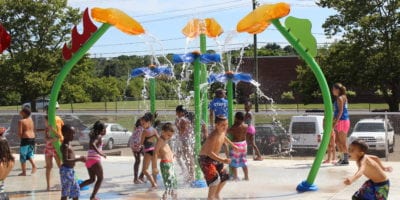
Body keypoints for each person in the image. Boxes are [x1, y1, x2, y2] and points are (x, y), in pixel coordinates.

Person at [199, 116, 235, 200]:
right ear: (216, 125)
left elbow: (224, 137)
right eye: (222, 125)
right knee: (215, 179)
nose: (225, 127)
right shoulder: (213, 136)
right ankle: (210, 197)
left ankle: (216, 195)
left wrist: (233, 145)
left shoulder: (222, 131)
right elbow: (209, 153)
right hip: (205, 159)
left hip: (214, 158)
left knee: (225, 175)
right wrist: (223, 160)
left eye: (226, 124)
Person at [79, 121, 107, 200]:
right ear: (102, 130)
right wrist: (100, 153)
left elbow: (93, 144)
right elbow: (93, 144)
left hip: (89, 160)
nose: (105, 131)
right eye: (105, 129)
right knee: (100, 178)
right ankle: (93, 197)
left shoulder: (94, 136)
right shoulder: (98, 137)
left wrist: (100, 152)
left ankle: (76, 188)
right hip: (95, 160)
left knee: (92, 179)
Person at [60, 124, 86, 200]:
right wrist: (79, 159)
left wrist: (79, 158)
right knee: (65, 192)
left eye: (74, 133)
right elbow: (65, 160)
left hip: (70, 171)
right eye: (71, 133)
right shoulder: (65, 145)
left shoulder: (69, 144)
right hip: (66, 171)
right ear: (64, 134)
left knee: (76, 191)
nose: (73, 135)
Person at [154, 123, 178, 200]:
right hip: (166, 164)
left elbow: (164, 151)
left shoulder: (164, 140)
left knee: (171, 185)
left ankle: (165, 198)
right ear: (163, 132)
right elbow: (155, 153)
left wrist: (172, 154)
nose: (169, 137)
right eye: (168, 135)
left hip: (169, 163)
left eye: (171, 136)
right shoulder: (160, 140)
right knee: (171, 185)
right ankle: (172, 198)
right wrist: (155, 167)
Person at [175, 105, 195, 182]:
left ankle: (191, 175)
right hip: (187, 140)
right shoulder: (186, 119)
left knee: (188, 158)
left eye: (177, 112)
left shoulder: (182, 120)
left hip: (185, 141)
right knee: (186, 158)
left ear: (181, 112)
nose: (176, 114)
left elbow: (181, 132)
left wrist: (177, 124)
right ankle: (188, 173)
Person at [332, 83, 350, 165]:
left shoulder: (340, 98)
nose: (332, 91)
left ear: (338, 90)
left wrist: (335, 122)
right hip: (341, 121)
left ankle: (345, 160)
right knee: (337, 141)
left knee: (342, 142)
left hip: (342, 121)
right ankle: (342, 158)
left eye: (333, 89)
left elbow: (340, 111)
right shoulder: (343, 97)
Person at [140, 112, 159, 190]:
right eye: (141, 124)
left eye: (143, 123)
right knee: (154, 168)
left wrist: (139, 145)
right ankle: (155, 183)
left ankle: (153, 184)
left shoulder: (144, 132)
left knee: (144, 170)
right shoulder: (154, 130)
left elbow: (141, 143)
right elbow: (159, 139)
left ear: (148, 122)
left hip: (148, 151)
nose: (142, 125)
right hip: (154, 151)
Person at [228, 112, 249, 181]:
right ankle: (246, 177)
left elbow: (228, 131)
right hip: (244, 144)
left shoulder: (235, 127)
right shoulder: (246, 126)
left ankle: (235, 177)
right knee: (244, 161)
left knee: (234, 162)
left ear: (236, 119)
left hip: (236, 145)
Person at [44, 116, 62, 191]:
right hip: (48, 149)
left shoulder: (56, 127)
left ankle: (63, 183)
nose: (45, 123)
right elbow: (45, 138)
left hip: (55, 149)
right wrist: (50, 140)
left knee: (60, 166)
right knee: (48, 167)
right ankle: (48, 186)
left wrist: (53, 130)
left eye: (45, 121)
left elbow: (59, 136)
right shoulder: (46, 129)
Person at [17, 108, 37, 176]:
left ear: (24, 113)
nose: (20, 112)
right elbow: (32, 129)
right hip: (32, 138)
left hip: (25, 139)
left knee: (23, 156)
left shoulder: (21, 121)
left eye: (21, 111)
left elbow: (20, 133)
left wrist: (20, 138)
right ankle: (34, 165)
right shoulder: (31, 120)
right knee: (29, 154)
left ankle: (24, 172)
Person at [129, 119, 145, 184]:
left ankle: (137, 178)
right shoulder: (141, 128)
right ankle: (139, 177)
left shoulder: (136, 128)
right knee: (147, 158)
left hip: (133, 144)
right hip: (137, 144)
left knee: (138, 161)